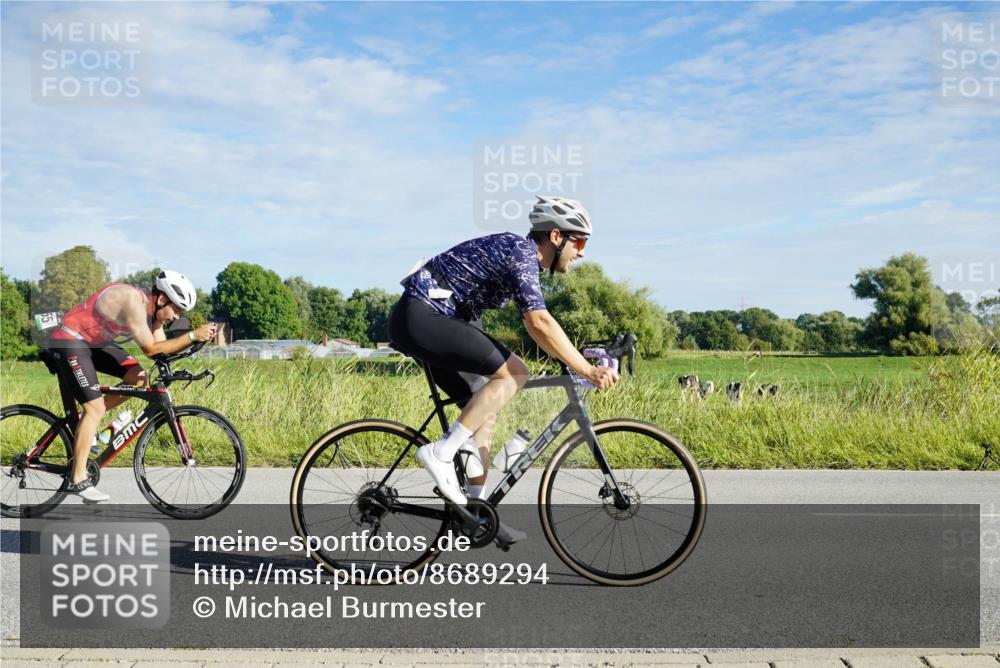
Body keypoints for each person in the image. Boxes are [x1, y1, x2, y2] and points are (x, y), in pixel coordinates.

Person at [389, 196, 619, 542]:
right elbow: (538, 321)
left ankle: (474, 515)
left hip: (438, 317)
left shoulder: (522, 260)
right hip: (422, 315)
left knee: (485, 409)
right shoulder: (521, 252)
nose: (582, 252)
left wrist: (575, 357)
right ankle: (440, 452)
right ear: (556, 237)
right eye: (580, 241)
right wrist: (586, 369)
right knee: (515, 373)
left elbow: (537, 328)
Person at [45, 270, 217, 503]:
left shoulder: (154, 316)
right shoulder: (133, 301)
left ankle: (87, 429)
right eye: (176, 309)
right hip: (69, 340)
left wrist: (195, 344)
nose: (176, 316)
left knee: (138, 377)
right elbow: (150, 349)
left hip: (93, 345)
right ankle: (78, 478)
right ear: (162, 299)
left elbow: (162, 348)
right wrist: (193, 335)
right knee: (94, 408)